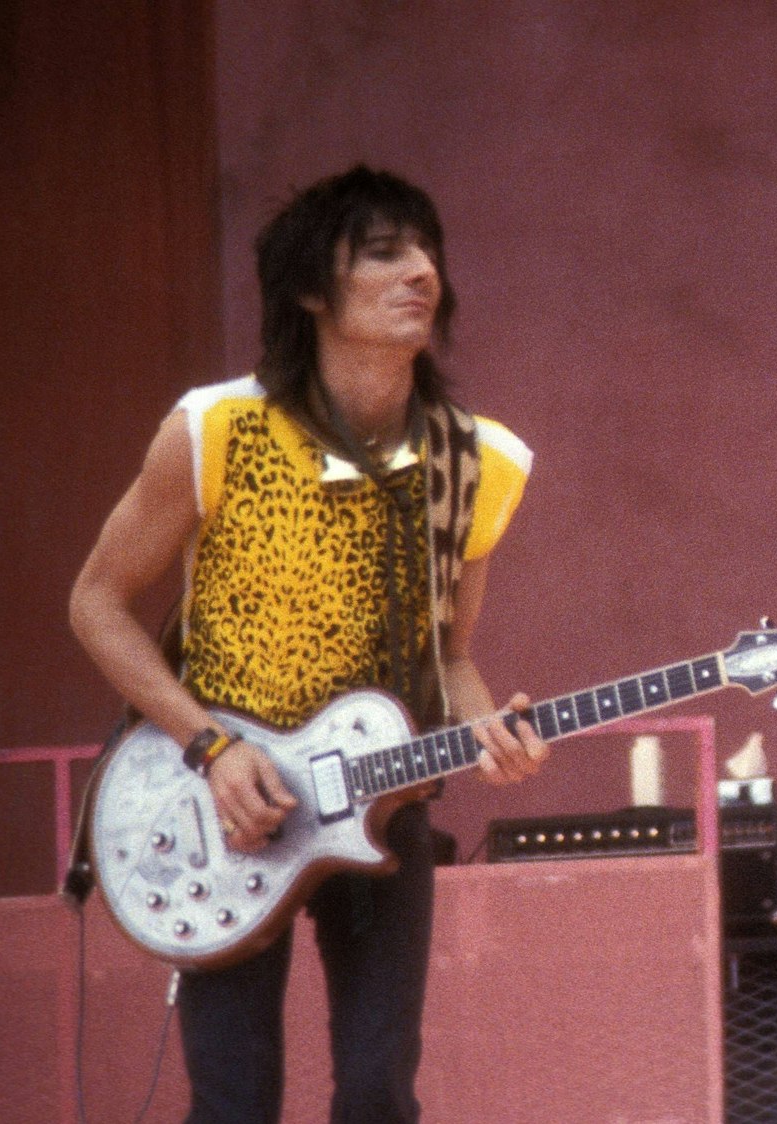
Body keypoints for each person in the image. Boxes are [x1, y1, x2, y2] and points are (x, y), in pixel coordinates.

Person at [68, 165, 548, 1122]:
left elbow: (448, 654)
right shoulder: (216, 430)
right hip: (224, 806)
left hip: (384, 807)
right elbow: (97, 602)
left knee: (379, 1094)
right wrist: (210, 746)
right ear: (310, 291)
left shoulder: (477, 460)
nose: (421, 272)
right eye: (384, 253)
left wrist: (490, 726)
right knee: (235, 1101)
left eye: (427, 252)